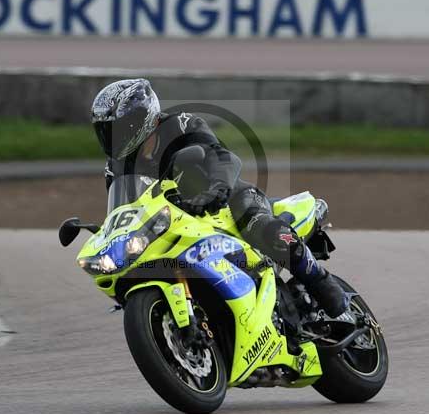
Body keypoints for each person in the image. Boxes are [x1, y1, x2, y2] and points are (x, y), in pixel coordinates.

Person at [92, 78, 347, 318]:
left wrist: (218, 188)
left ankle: (323, 284)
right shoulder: (117, 166)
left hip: (226, 200)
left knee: (260, 226)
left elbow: (223, 157)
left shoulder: (180, 125)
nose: (111, 136)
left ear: (141, 119)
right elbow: (125, 209)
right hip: (177, 222)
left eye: (117, 128)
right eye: (105, 130)